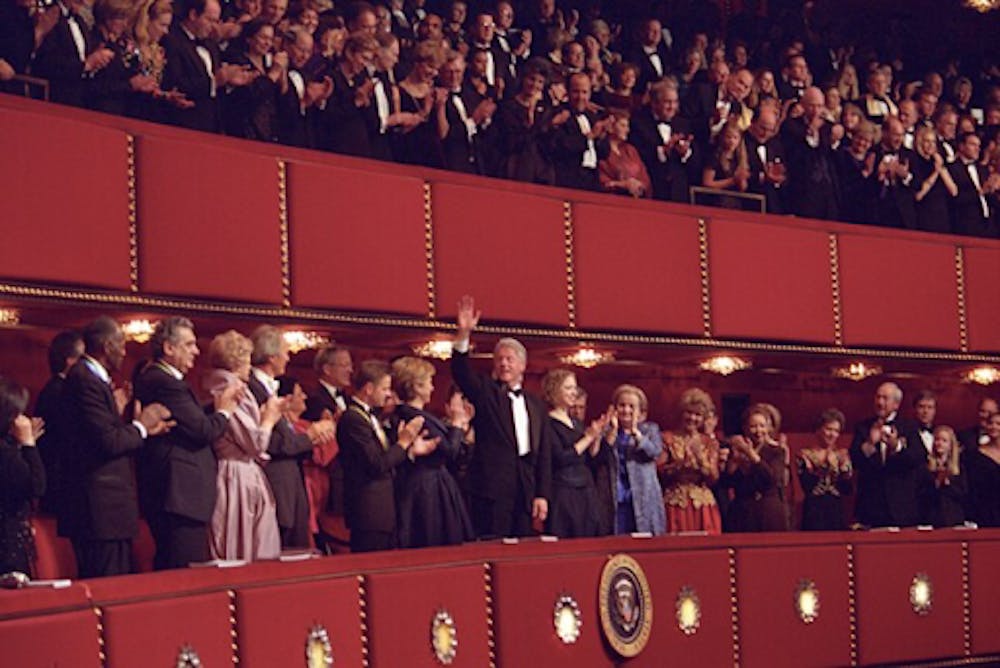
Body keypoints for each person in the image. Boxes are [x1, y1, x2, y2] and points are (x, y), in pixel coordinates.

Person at [59, 317, 173, 577]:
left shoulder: (94, 379)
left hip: (108, 513)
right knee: (105, 587)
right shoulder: (84, 380)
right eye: (121, 344)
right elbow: (108, 442)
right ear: (106, 345)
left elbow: (111, 435)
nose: (124, 351)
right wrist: (142, 426)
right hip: (98, 512)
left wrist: (142, 431)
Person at [135, 316, 240, 570]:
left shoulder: (167, 381)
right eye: (189, 345)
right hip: (178, 495)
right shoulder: (163, 381)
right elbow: (203, 430)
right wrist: (224, 411)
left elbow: (188, 419)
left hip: (181, 494)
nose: (196, 351)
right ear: (169, 348)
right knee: (182, 572)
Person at [450, 295, 550, 538]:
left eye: (510, 359)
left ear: (522, 365)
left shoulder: (536, 405)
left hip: (524, 490)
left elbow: (544, 454)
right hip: (491, 491)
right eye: (499, 360)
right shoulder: (486, 393)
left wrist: (542, 494)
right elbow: (461, 373)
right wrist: (463, 335)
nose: (504, 364)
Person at [336, 360, 437, 552]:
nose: (389, 394)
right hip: (368, 511)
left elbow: (387, 457)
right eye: (384, 388)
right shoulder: (353, 419)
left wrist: (410, 452)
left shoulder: (369, 416)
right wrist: (404, 441)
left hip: (382, 511)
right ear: (368, 388)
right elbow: (377, 464)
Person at [248, 325, 332, 549]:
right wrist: (310, 435)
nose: (288, 357)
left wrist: (312, 440)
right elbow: (272, 443)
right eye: (285, 351)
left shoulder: (268, 388)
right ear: (271, 357)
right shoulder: (254, 389)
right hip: (276, 481)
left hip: (290, 483)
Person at [204, 330, 281, 561]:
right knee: (242, 547)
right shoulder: (233, 389)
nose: (250, 366)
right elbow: (255, 443)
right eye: (247, 359)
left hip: (237, 472)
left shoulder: (218, 385)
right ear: (237, 361)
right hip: (236, 475)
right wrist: (269, 419)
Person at [390, 357, 473, 547]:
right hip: (427, 489)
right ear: (417, 387)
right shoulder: (414, 417)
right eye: (429, 383)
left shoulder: (417, 414)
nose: (432, 388)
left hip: (433, 484)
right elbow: (449, 450)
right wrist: (458, 424)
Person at [540, 369, 607, 538]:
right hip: (564, 493)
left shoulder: (576, 423)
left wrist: (596, 437)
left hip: (585, 490)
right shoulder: (547, 423)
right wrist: (588, 437)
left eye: (574, 388)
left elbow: (589, 459)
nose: (573, 392)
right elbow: (560, 458)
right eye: (568, 388)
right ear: (555, 391)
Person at [849, 382, 923, 528]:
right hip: (871, 506)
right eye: (878, 397)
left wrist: (897, 446)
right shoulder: (863, 427)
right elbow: (855, 460)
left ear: (896, 404)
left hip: (901, 508)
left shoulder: (909, 427)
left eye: (885, 398)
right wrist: (870, 444)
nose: (880, 402)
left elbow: (918, 458)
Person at [594, 384, 665, 536]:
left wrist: (636, 434)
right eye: (622, 405)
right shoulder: (606, 431)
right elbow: (598, 459)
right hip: (613, 497)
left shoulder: (649, 429)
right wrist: (611, 433)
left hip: (643, 496)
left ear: (640, 411)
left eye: (631, 406)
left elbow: (655, 452)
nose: (626, 410)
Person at [658, 389, 722, 535]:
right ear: (681, 413)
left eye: (698, 414)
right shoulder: (667, 438)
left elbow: (714, 478)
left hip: (703, 505)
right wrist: (680, 464)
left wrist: (700, 460)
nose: (692, 418)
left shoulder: (709, 443)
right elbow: (660, 472)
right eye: (689, 412)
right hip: (675, 503)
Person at [33, 330, 83, 515]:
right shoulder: (61, 391)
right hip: (61, 480)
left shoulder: (57, 388)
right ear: (71, 360)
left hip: (58, 478)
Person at [0, 376, 45, 576]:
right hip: (7, 544)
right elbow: (36, 486)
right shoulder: (5, 452)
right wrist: (28, 444)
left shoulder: (8, 449)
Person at [723, 403, 790, 532]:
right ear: (745, 428)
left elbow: (771, 479)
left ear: (769, 428)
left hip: (769, 513)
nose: (758, 431)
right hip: (743, 514)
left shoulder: (777, 451)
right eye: (753, 426)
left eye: (762, 426)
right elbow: (728, 482)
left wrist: (751, 454)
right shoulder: (737, 450)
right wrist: (734, 462)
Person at [630, 80, 697, 202]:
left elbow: (696, 164)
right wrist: (663, 151)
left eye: (675, 102)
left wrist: (685, 153)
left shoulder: (684, 125)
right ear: (654, 103)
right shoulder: (639, 124)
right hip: (653, 191)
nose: (672, 107)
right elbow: (638, 156)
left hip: (679, 194)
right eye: (667, 102)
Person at [222, 19, 286, 141]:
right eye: (263, 37)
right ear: (249, 38)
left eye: (271, 39)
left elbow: (280, 98)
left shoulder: (269, 64)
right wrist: (273, 73)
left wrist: (281, 74)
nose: (268, 43)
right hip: (244, 130)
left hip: (269, 132)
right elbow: (248, 97)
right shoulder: (237, 61)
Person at [548, 72, 610, 190]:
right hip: (568, 180)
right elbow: (560, 146)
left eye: (584, 92)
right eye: (576, 91)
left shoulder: (593, 117)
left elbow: (604, 153)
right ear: (568, 92)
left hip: (592, 179)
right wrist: (589, 137)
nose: (580, 97)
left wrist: (601, 137)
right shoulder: (559, 114)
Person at [797, 409, 853, 531]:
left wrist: (844, 470)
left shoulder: (842, 455)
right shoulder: (805, 455)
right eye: (828, 429)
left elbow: (847, 489)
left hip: (836, 509)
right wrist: (820, 466)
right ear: (818, 429)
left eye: (836, 431)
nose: (832, 434)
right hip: (814, 509)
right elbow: (807, 486)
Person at [912, 126, 958, 234]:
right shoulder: (916, 162)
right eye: (927, 141)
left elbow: (953, 191)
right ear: (920, 142)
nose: (930, 145)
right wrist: (935, 172)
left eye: (933, 142)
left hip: (941, 214)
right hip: (924, 214)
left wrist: (940, 168)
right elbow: (919, 195)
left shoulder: (938, 163)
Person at [918, 426, 966, 528]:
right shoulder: (925, 468)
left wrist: (948, 484)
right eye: (937, 439)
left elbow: (963, 494)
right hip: (933, 520)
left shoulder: (959, 468)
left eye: (944, 441)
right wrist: (937, 483)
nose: (939, 443)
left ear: (950, 445)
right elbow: (921, 495)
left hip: (954, 520)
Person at [702, 119, 751, 209]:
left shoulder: (740, 158)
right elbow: (707, 183)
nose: (732, 141)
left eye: (735, 138)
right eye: (729, 137)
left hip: (736, 203)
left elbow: (743, 188)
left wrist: (742, 179)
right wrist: (732, 181)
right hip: (716, 202)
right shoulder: (714, 156)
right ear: (722, 137)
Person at [965, 413, 1000, 527]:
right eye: (991, 423)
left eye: (998, 424)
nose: (994, 426)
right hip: (986, 511)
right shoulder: (975, 455)